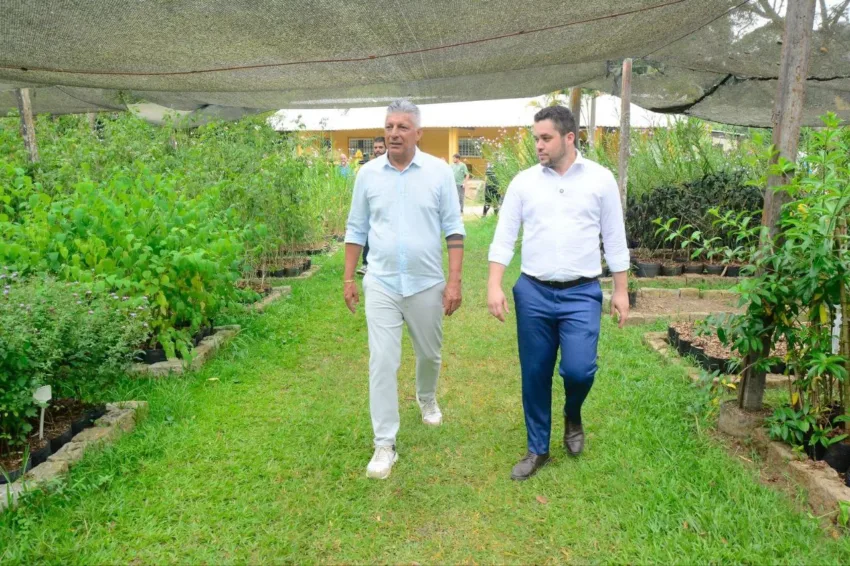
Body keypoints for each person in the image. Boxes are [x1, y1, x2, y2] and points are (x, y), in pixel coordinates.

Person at [486, 105, 630, 481]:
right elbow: (504, 237)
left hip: (581, 293)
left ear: (569, 138)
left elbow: (615, 238)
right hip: (533, 292)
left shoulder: (600, 180)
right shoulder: (523, 183)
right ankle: (538, 449)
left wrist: (621, 290)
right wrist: (494, 284)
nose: (539, 145)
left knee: (579, 370)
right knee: (535, 372)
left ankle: (573, 413)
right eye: (536, 138)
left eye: (546, 138)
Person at [343, 99, 465, 480]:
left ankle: (426, 397)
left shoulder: (439, 173)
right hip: (381, 282)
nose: (393, 133)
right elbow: (356, 229)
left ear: (418, 133)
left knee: (429, 354)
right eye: (389, 126)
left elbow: (454, 229)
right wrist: (348, 279)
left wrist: (454, 281)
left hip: (426, 283)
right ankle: (384, 443)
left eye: (402, 127)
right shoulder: (367, 175)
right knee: (382, 360)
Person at [357, 136, 387, 276]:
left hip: (387, 206)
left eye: (380, 147)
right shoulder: (369, 168)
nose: (377, 150)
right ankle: (365, 264)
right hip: (371, 206)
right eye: (375, 147)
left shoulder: (391, 165)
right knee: (369, 234)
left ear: (386, 148)